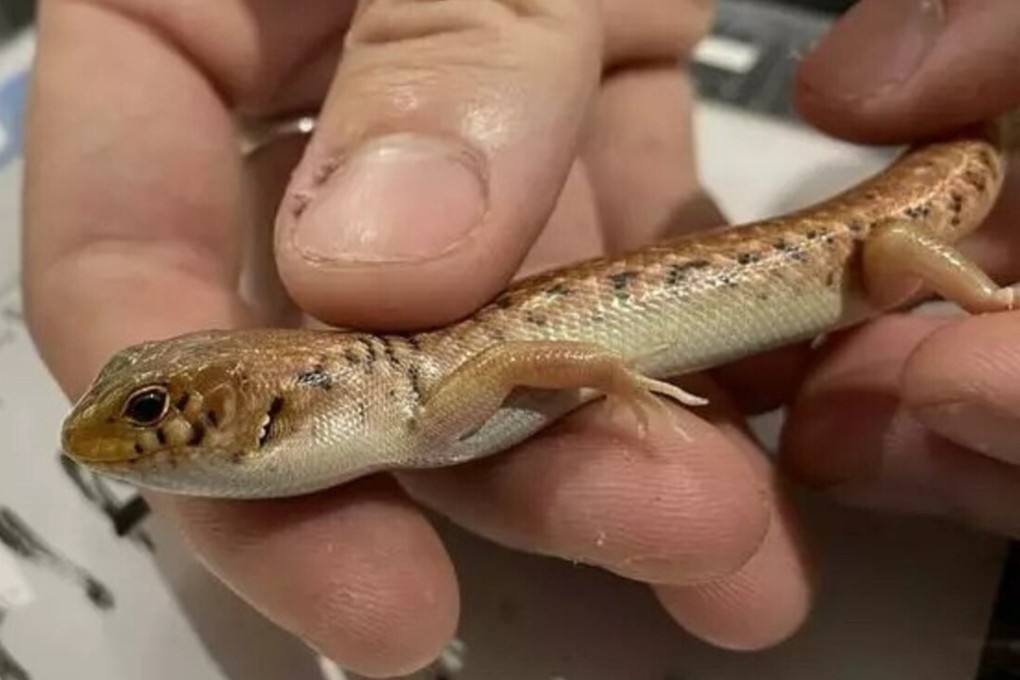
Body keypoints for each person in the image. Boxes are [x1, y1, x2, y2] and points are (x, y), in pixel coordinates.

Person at [20, 0, 1020, 676]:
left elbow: (507, 355)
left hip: (846, 247)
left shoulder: (419, 400)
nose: (128, 429)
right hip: (827, 241)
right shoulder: (388, 408)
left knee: (896, 248)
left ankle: (990, 294)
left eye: (150, 409)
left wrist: (614, 379)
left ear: (258, 406)